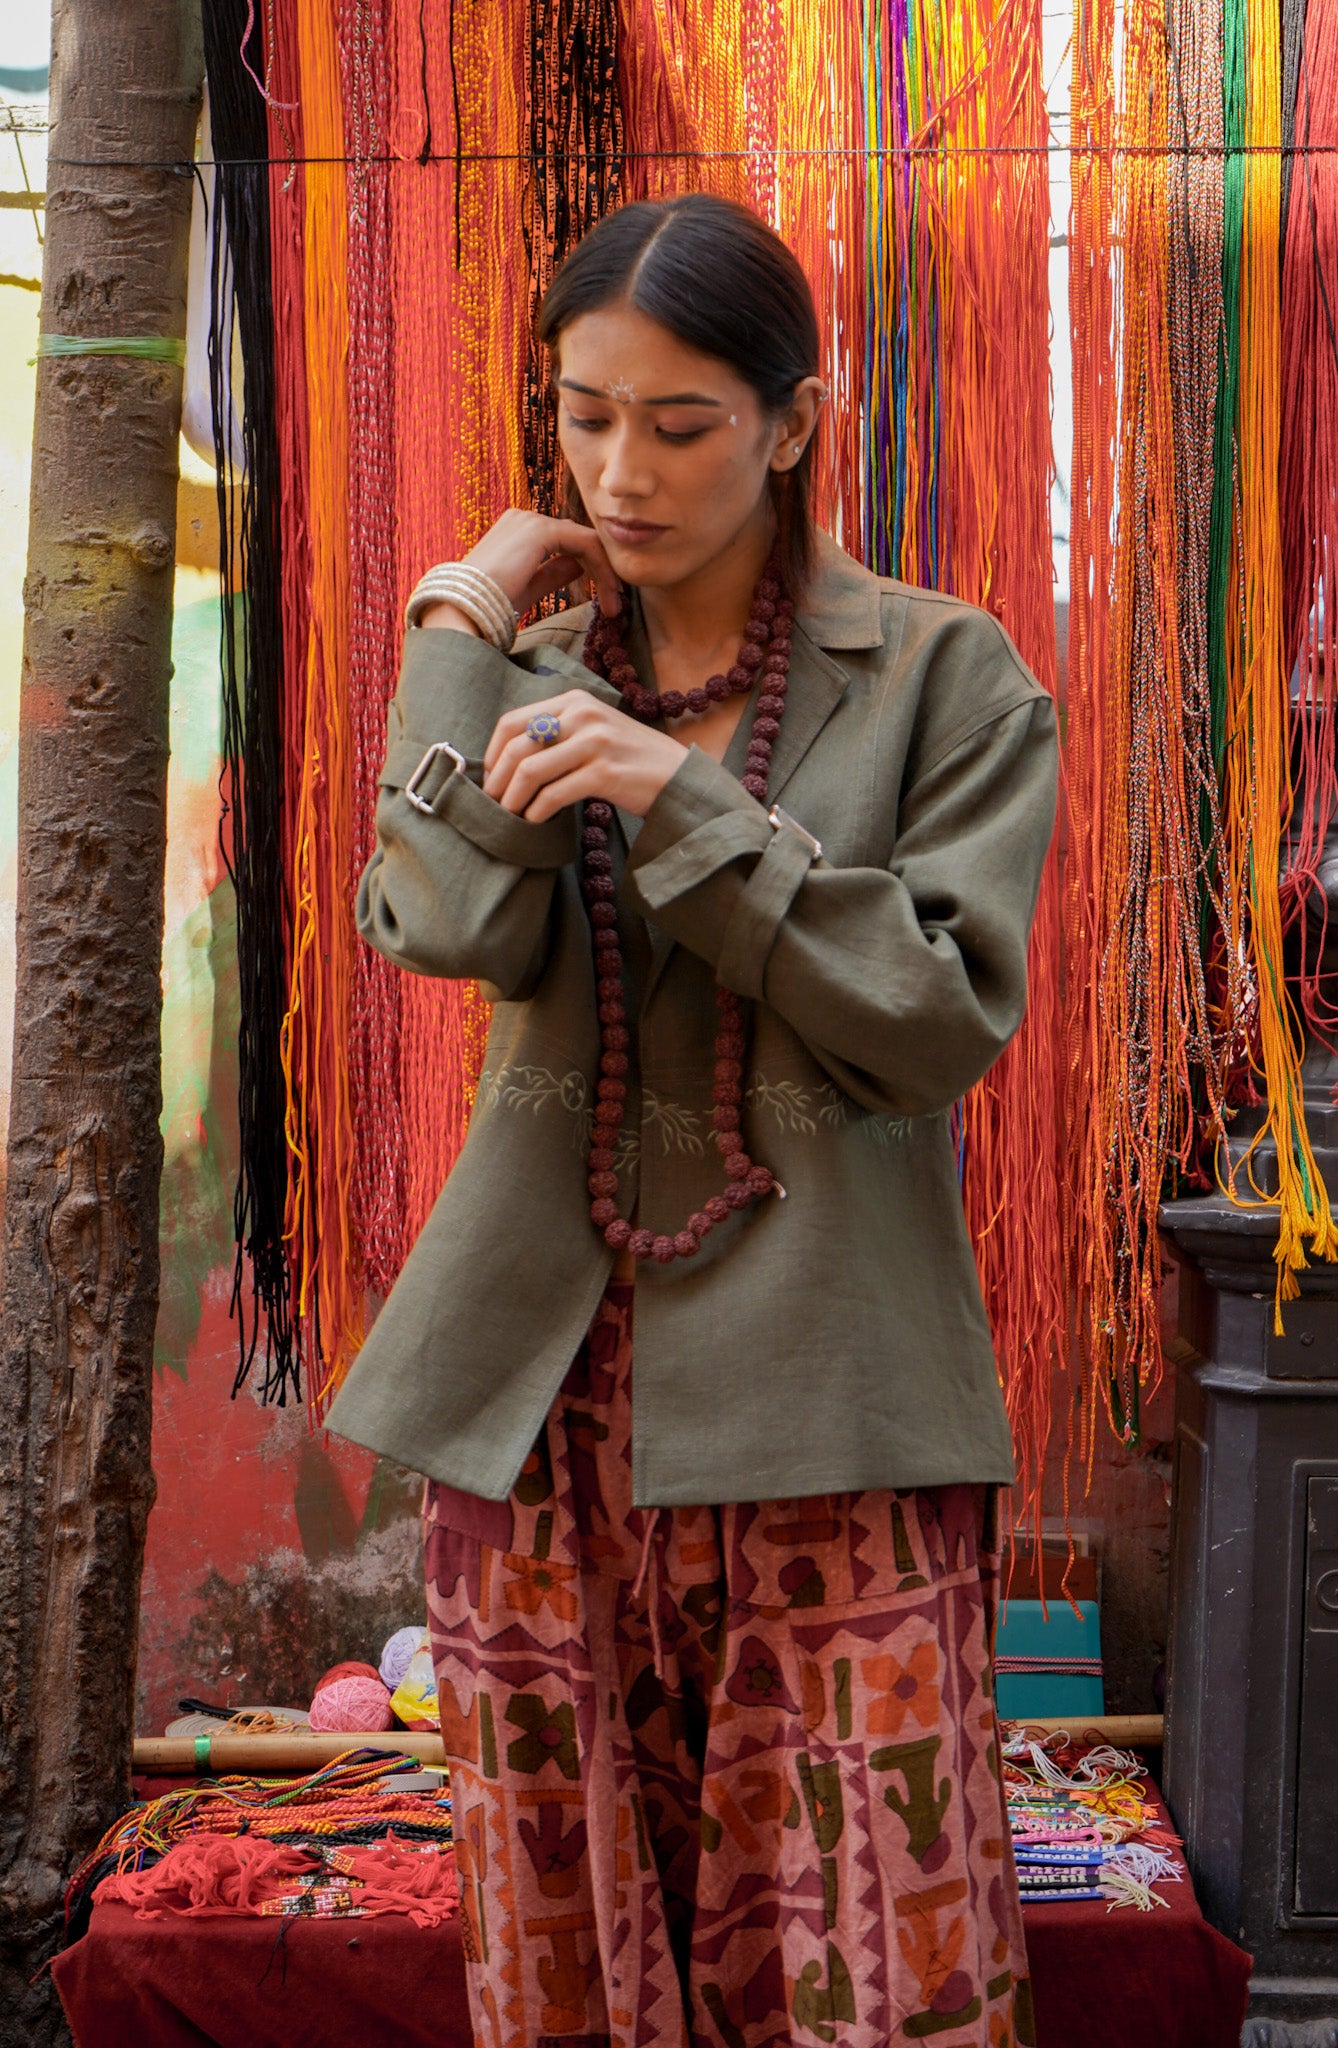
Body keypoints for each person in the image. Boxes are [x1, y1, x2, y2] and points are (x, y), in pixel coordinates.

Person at [328, 191, 1057, 2048]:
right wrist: (462, 616)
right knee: (561, 1949)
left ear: (794, 424)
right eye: (582, 416)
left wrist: (685, 806)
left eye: (680, 423)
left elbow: (930, 1013)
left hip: (835, 1410)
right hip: (538, 1420)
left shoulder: (944, 676)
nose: (619, 470)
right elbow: (439, 919)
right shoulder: (537, 673)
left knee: (867, 1963)